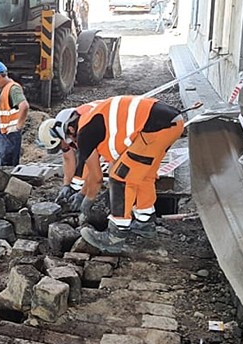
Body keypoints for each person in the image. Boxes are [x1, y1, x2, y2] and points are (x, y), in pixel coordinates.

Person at [67, 96, 185, 253]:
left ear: (70, 129)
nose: (74, 145)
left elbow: (96, 177)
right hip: (171, 122)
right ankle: (145, 222)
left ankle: (115, 236)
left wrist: (86, 202)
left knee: (119, 178)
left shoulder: (84, 132)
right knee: (143, 176)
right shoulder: (93, 118)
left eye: (71, 141)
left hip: (155, 127)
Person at [37, 101, 101, 203]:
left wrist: (82, 193)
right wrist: (66, 184)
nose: (61, 148)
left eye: (59, 146)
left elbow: (93, 170)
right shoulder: (67, 125)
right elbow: (68, 158)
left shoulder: (82, 130)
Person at [0, 60, 29, 167]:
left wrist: (18, 126)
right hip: (0, 135)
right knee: (0, 164)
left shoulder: (13, 88)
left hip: (9, 136)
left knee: (8, 166)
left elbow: (24, 106)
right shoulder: (1, 89)